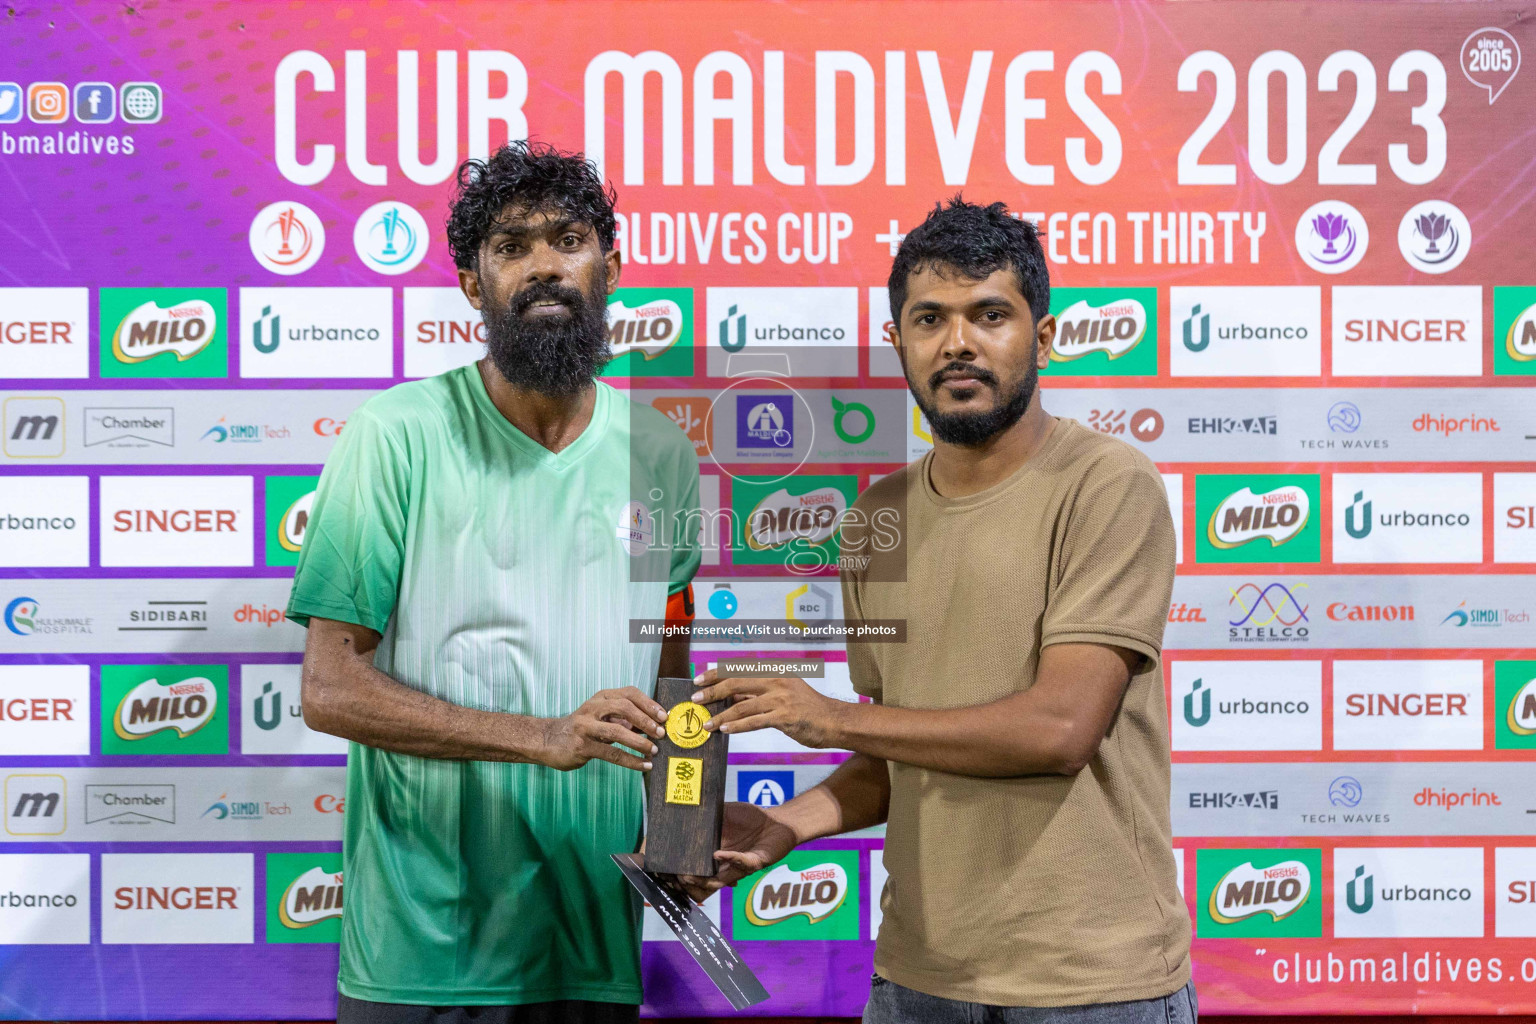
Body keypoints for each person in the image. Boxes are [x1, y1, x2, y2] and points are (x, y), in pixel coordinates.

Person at [687, 199, 1194, 1024]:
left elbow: (1060, 731)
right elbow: (901, 752)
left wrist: (831, 718)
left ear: (1046, 334)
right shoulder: (875, 519)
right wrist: (785, 824)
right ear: (899, 344)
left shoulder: (1108, 484)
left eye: (990, 314)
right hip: (918, 980)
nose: (958, 342)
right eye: (930, 319)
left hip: (1092, 985)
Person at [285, 141, 701, 1024]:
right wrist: (541, 735)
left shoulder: (659, 451)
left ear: (610, 267)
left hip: (593, 950)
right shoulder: (394, 435)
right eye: (511, 246)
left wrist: (685, 834)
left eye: (568, 239)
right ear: (475, 287)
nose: (545, 265)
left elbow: (675, 680)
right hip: (421, 954)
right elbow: (329, 690)